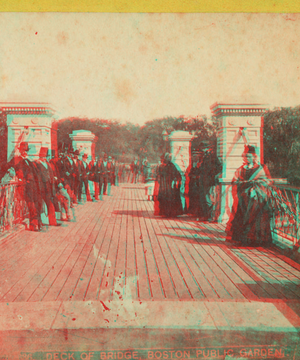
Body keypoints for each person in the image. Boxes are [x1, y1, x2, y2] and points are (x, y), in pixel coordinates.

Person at [226, 145, 273, 247]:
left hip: (257, 198)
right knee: (243, 216)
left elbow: (269, 181)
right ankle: (245, 240)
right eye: (245, 156)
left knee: (257, 218)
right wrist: (240, 182)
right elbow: (234, 181)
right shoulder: (241, 169)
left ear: (254, 157)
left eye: (249, 156)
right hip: (244, 197)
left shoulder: (262, 167)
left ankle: (257, 241)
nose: (247, 158)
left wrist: (257, 184)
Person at [157, 153, 182, 217]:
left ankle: (170, 213)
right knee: (165, 198)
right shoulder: (162, 166)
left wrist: (177, 181)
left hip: (169, 186)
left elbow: (177, 175)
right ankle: (165, 213)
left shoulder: (171, 166)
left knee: (170, 199)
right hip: (164, 185)